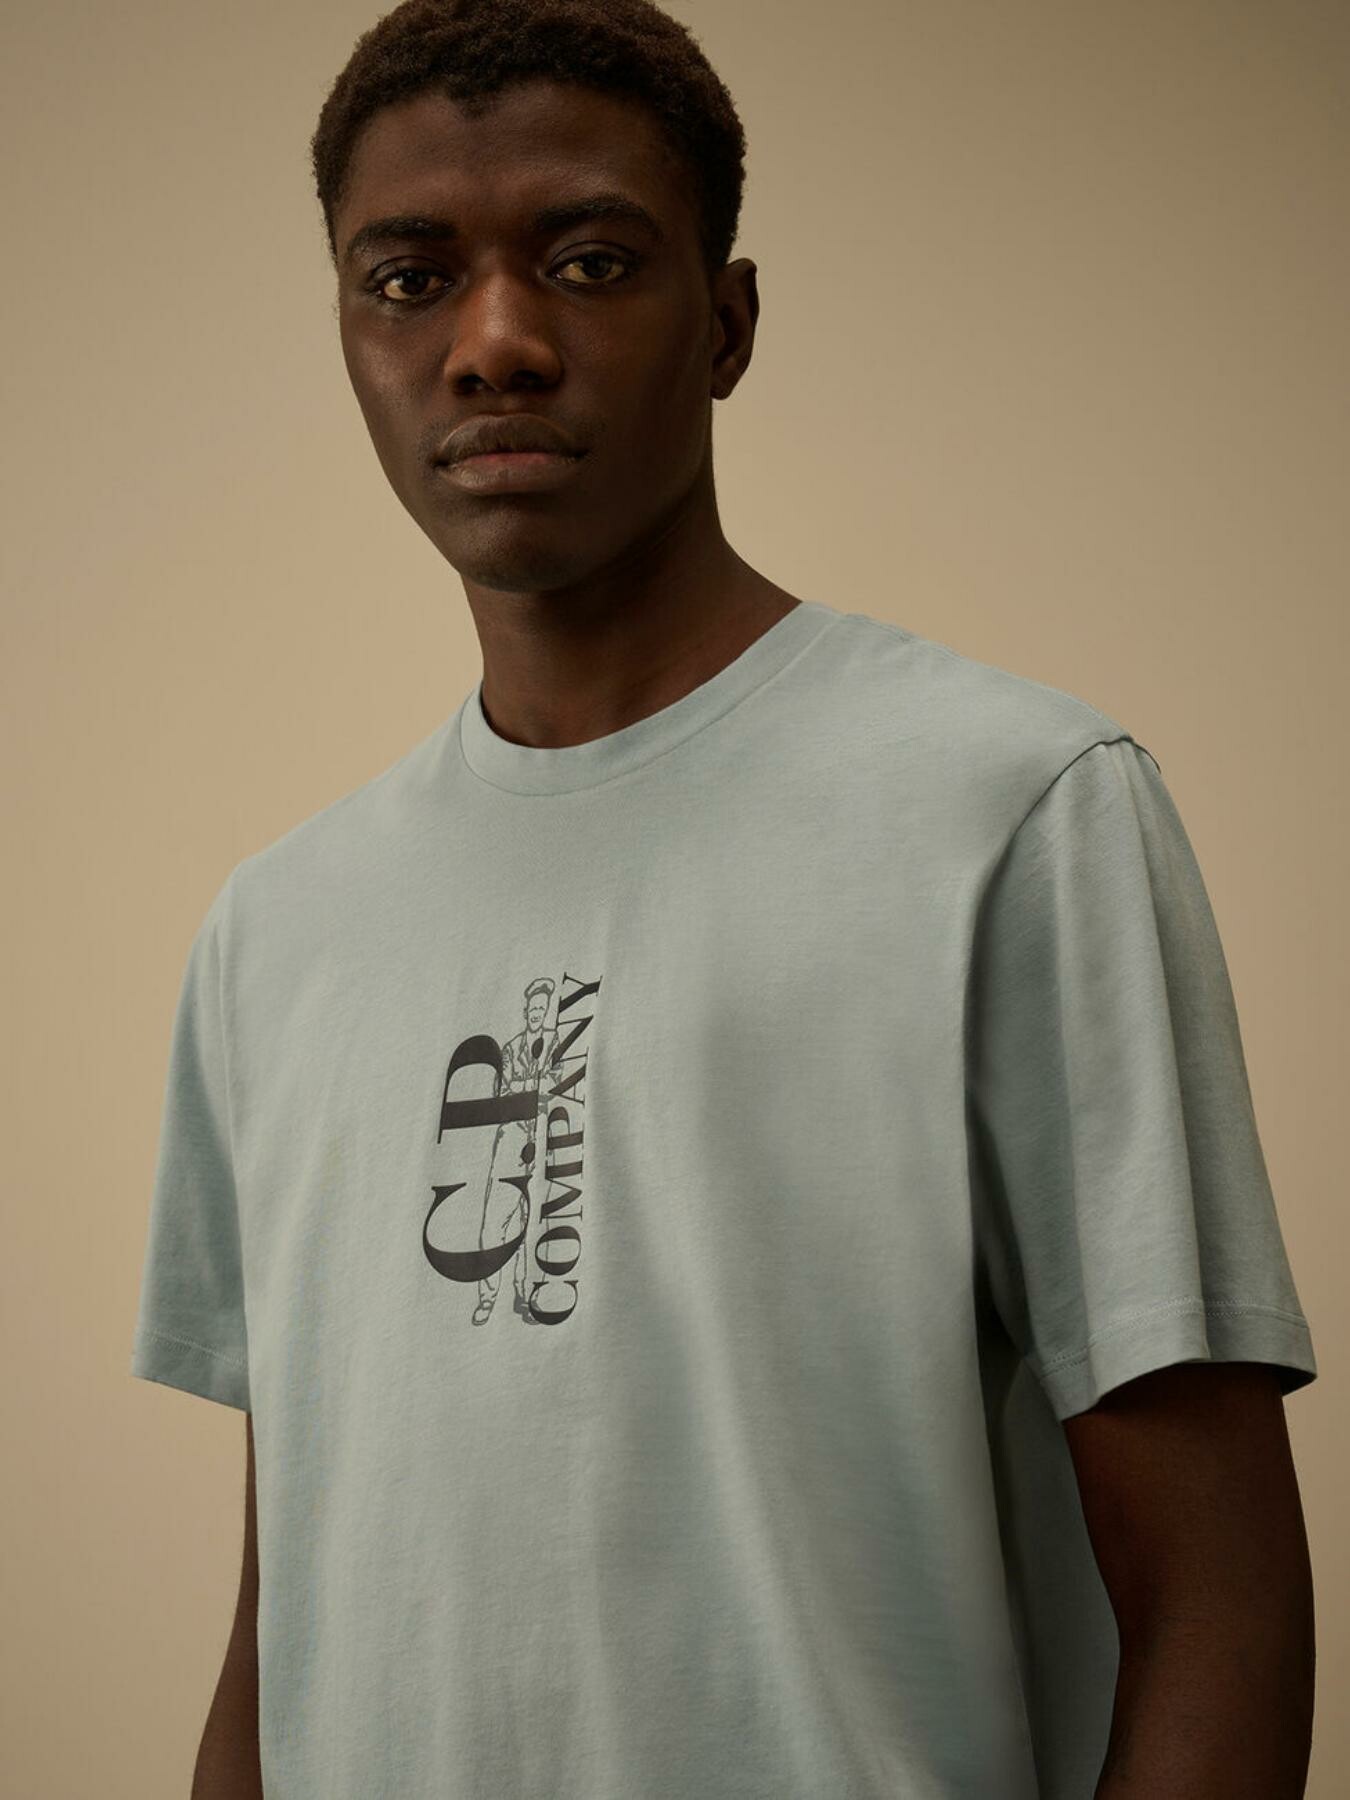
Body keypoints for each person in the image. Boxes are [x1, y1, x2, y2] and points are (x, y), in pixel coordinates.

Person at [129, 3, 1319, 1796]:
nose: (494, 344)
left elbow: (1214, 1592)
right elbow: (282, 1624)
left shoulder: (1014, 811)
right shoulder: (272, 935)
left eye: (589, 262)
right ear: (352, 340)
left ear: (727, 325)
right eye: (409, 281)